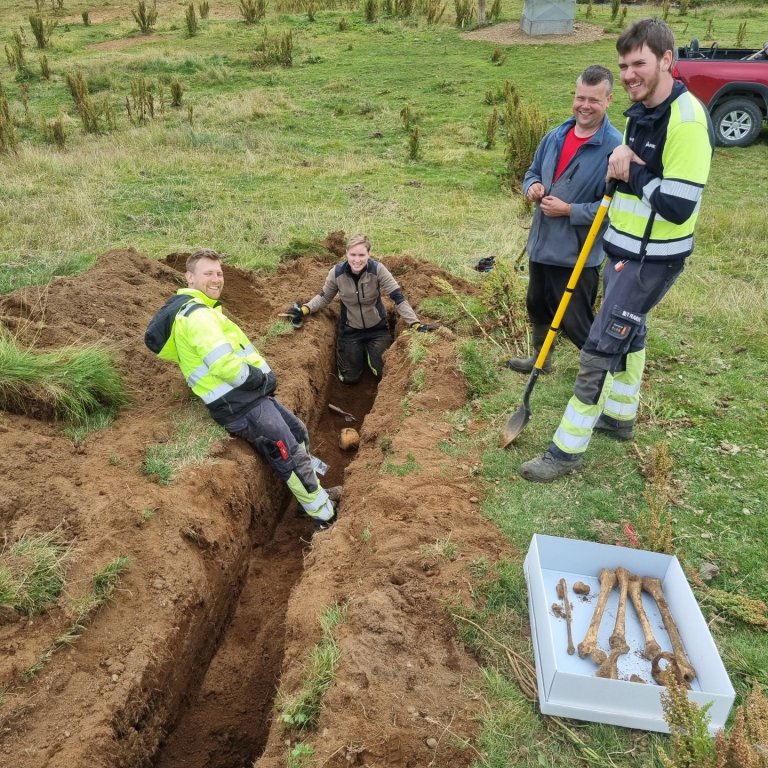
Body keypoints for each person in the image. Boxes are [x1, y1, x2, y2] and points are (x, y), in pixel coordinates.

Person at [519, 18, 714, 482]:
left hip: (653, 258)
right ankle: (621, 418)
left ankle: (565, 451)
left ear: (667, 60)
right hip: (623, 250)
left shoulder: (685, 121)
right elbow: (622, 186)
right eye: (624, 64)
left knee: (598, 350)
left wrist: (631, 172)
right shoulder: (642, 112)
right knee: (636, 333)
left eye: (638, 63)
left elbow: (678, 206)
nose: (629, 73)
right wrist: (619, 172)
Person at [145, 249, 341, 530]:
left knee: (298, 433)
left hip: (248, 397)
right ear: (189, 277)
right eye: (208, 273)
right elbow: (225, 365)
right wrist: (260, 380)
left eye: (219, 273)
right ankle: (323, 517)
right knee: (289, 455)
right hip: (239, 405)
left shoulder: (202, 309)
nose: (216, 279)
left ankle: (310, 497)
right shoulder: (198, 316)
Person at [507, 65, 623, 374]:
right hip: (542, 245)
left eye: (593, 100)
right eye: (580, 97)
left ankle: (602, 374)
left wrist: (569, 210)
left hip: (576, 253)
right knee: (538, 304)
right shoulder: (555, 135)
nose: (584, 106)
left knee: (575, 319)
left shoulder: (615, 148)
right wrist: (530, 187)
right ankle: (540, 360)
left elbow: (615, 207)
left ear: (609, 100)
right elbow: (532, 171)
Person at [286, 234, 436, 384]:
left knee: (382, 374)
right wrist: (304, 310)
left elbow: (397, 297)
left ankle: (370, 356)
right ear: (346, 253)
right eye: (353, 255)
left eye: (361, 255)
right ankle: (356, 357)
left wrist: (414, 323)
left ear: (368, 254)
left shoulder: (378, 270)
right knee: (349, 379)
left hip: (377, 329)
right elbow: (324, 297)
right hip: (350, 331)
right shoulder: (337, 273)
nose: (357, 260)